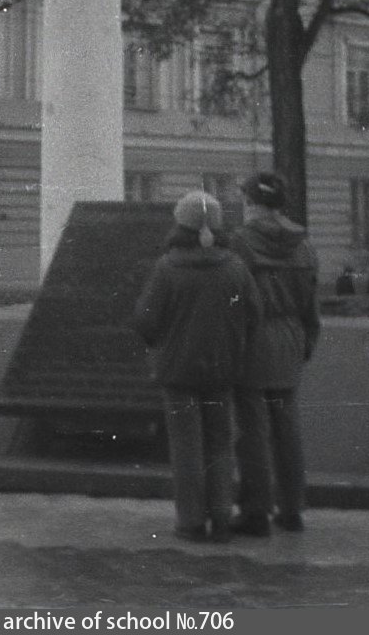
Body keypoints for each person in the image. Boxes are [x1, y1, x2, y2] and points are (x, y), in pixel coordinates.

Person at [134, 190, 262, 544]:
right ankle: (221, 517)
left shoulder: (167, 268)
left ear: (180, 225)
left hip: (178, 371)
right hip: (222, 369)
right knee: (220, 443)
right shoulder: (235, 267)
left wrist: (162, 343)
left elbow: (145, 320)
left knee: (186, 446)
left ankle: (191, 521)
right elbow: (254, 314)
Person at [231, 172, 320, 536]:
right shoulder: (304, 244)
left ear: (251, 203)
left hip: (253, 341)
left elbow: (234, 299)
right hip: (290, 338)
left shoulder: (240, 242)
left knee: (252, 432)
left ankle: (255, 512)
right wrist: (305, 343)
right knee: (287, 430)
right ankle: (292, 509)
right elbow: (311, 306)